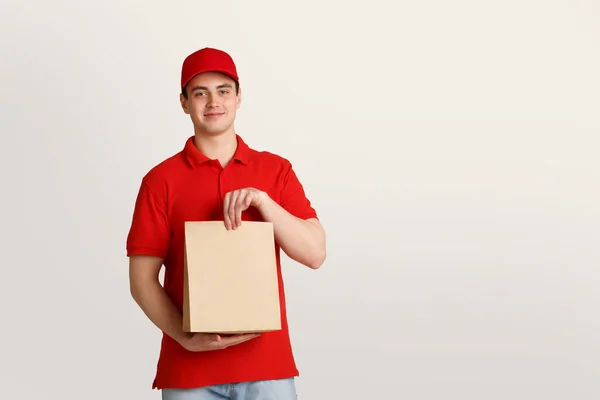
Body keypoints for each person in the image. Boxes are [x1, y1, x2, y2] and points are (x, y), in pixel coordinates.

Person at [126, 47, 326, 400]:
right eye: (200, 93)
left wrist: (263, 201)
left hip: (268, 369)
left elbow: (314, 254)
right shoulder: (160, 181)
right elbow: (142, 280)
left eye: (223, 91)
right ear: (184, 103)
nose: (213, 102)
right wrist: (185, 337)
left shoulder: (276, 170)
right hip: (188, 373)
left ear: (238, 97)